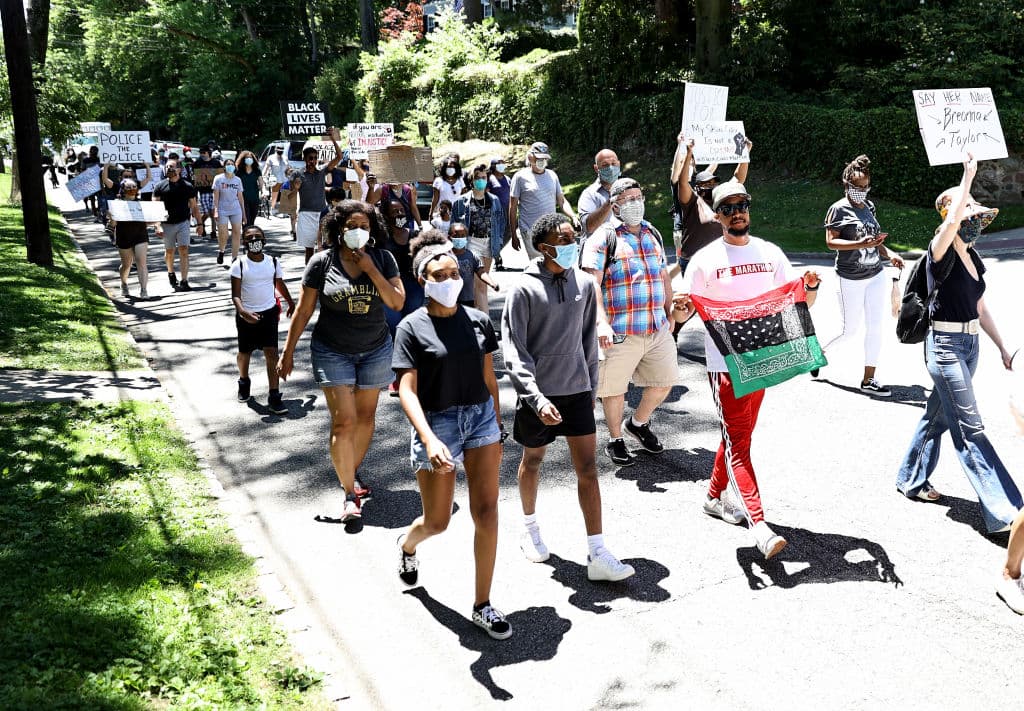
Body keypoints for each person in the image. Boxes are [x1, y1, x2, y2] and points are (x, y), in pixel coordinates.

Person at [674, 182, 821, 560]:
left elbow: (797, 301)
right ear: (718, 216)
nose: (737, 212)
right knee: (739, 442)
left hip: (763, 362)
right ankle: (758, 524)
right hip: (726, 365)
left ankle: (713, 495)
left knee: (738, 435)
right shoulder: (705, 260)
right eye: (728, 208)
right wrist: (677, 309)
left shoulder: (770, 252)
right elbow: (684, 311)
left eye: (743, 205)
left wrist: (811, 287)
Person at [503, 213, 636, 582]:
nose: (572, 244)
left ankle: (597, 551)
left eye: (573, 237)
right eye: (564, 240)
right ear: (544, 247)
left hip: (576, 390)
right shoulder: (523, 288)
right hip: (539, 395)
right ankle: (529, 529)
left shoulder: (582, 282)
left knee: (589, 469)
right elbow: (515, 350)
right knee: (533, 461)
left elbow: (587, 339)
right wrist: (535, 397)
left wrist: (590, 387)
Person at [393, 229, 512, 640]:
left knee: (487, 512)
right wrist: (427, 437)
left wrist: (497, 422)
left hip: (480, 421)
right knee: (438, 522)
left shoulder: (478, 320)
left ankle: (483, 604)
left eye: (454, 272)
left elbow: (489, 378)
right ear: (422, 280)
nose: (450, 280)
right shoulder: (411, 327)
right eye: (439, 275)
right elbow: (406, 389)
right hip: (436, 423)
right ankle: (408, 546)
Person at [895, 154, 1022, 533]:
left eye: (977, 215)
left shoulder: (975, 258)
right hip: (944, 347)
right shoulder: (940, 249)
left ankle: (910, 478)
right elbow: (950, 223)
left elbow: (979, 306)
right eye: (970, 213)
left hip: (970, 348)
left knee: (937, 416)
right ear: (953, 215)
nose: (976, 221)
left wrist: (1002, 346)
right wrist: (968, 176)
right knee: (970, 427)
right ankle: (1006, 514)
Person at [278, 200, 405, 521]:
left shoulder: (383, 259)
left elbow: (397, 302)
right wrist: (287, 351)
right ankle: (349, 493)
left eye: (364, 227)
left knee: (365, 420)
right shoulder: (322, 263)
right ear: (339, 231)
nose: (358, 232)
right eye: (351, 227)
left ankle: (350, 467)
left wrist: (371, 270)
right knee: (343, 422)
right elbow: (304, 311)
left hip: (375, 349)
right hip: (332, 350)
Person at [581, 178, 676, 467]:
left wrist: (670, 311)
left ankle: (637, 423)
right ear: (615, 204)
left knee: (665, 381)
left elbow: (662, 275)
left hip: (655, 325)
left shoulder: (653, 233)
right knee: (613, 389)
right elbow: (591, 284)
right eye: (628, 199)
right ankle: (615, 439)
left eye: (639, 196)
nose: (636, 203)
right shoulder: (603, 237)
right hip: (619, 330)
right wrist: (600, 323)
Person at [817, 155, 904, 394]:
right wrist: (859, 244)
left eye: (866, 187)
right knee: (849, 331)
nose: (862, 192)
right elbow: (831, 242)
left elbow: (874, 242)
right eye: (858, 187)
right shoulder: (837, 209)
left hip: (875, 275)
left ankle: (869, 380)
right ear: (847, 185)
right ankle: (819, 353)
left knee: (876, 327)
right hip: (850, 278)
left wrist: (890, 254)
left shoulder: (869, 207)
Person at [231, 226, 295, 415]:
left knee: (272, 353)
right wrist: (243, 312)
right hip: (247, 315)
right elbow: (235, 294)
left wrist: (290, 302)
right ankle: (244, 381)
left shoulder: (273, 262)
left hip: (268, 313)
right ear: (244, 243)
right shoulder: (239, 264)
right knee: (245, 352)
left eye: (258, 237)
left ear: (264, 240)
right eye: (250, 238)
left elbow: (279, 283)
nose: (254, 240)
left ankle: (274, 395)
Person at [671, 133, 752, 277]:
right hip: (693, 261)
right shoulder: (692, 201)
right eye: (706, 184)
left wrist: (745, 153)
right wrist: (689, 152)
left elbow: (738, 178)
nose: (710, 186)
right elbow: (682, 182)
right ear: (697, 187)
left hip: (718, 261)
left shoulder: (720, 199)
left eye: (713, 182)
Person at [450, 164, 506, 313]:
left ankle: (478, 320)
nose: (481, 180)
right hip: (470, 243)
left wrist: (499, 242)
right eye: (477, 178)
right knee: (478, 283)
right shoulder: (461, 202)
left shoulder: (494, 200)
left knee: (482, 284)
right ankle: (483, 321)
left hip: (489, 243)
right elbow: (453, 225)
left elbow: (501, 222)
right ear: (472, 181)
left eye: (483, 177)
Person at [509, 142, 577, 259]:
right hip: (530, 231)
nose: (542, 161)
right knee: (539, 265)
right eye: (539, 157)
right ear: (530, 157)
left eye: (544, 158)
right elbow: (513, 207)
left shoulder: (552, 176)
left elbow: (562, 201)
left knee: (554, 264)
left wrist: (573, 216)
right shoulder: (520, 177)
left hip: (552, 230)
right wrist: (513, 235)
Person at [296, 129, 343, 263]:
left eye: (315, 158)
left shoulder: (322, 171)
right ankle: (309, 274)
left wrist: (333, 138)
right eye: (310, 158)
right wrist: (295, 188)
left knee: (325, 246)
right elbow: (289, 195)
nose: (313, 161)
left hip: (322, 215)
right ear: (304, 159)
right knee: (310, 249)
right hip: (306, 215)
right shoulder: (298, 174)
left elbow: (339, 157)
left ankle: (324, 272)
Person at [152, 161, 201, 292]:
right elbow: (154, 208)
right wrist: (157, 226)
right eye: (167, 166)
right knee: (169, 252)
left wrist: (200, 224)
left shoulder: (188, 186)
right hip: (167, 224)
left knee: (184, 250)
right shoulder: (159, 186)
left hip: (183, 222)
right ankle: (171, 272)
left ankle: (184, 281)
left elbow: (194, 206)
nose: (169, 168)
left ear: (179, 169)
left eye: (172, 166)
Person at [108, 177, 154, 299]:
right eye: (128, 187)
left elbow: (148, 221)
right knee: (126, 264)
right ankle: (123, 283)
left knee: (141, 262)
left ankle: (144, 290)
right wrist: (112, 218)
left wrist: (159, 218)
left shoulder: (142, 203)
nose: (132, 189)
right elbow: (113, 224)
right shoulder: (117, 204)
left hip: (140, 234)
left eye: (134, 187)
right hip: (124, 235)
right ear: (122, 189)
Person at [448, 222, 499, 308]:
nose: (460, 238)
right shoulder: (446, 256)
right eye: (456, 236)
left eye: (462, 236)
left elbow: (481, 272)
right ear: (449, 238)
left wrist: (492, 283)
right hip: (450, 300)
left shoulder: (472, 256)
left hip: (468, 300)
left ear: (466, 238)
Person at [577, 149, 621, 237]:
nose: (611, 168)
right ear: (596, 168)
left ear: (619, 164)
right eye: (605, 165)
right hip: (599, 248)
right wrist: (611, 201)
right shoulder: (589, 194)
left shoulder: (628, 188)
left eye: (613, 164)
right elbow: (589, 227)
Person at [212, 158, 246, 265]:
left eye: (232, 164)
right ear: (224, 166)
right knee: (223, 234)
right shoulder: (218, 179)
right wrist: (216, 210)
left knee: (237, 233)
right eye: (228, 164)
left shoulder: (238, 180)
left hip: (236, 209)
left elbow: (240, 197)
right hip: (222, 209)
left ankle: (234, 258)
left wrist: (244, 213)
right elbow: (216, 196)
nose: (230, 166)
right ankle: (222, 251)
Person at [191, 146, 222, 239]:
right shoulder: (197, 163)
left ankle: (213, 231)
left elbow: (221, 174)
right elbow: (193, 175)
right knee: (207, 213)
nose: (202, 155)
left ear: (208, 153)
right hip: (203, 191)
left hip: (214, 191)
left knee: (213, 212)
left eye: (203, 153)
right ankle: (201, 224)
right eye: (200, 153)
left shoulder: (216, 163)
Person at [487, 157, 511, 270]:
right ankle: (497, 258)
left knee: (509, 233)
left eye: (503, 163)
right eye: (499, 163)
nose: (502, 165)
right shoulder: (490, 179)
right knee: (497, 235)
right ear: (493, 166)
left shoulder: (507, 179)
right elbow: (486, 195)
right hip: (495, 211)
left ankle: (495, 252)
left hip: (508, 210)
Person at [429, 154, 466, 219]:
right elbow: (435, 199)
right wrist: (431, 213)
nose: (451, 169)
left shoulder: (460, 180)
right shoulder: (438, 181)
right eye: (449, 167)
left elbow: (464, 197)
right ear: (444, 168)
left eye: (453, 167)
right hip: (442, 214)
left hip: (456, 213)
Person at [236, 150, 263, 228]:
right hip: (243, 198)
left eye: (250, 158)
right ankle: (246, 236)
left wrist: (263, 191)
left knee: (252, 219)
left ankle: (249, 234)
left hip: (254, 198)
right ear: (243, 160)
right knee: (246, 219)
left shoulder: (257, 170)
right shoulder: (239, 171)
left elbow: (261, 182)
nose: (249, 159)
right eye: (247, 158)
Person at [264, 145, 287, 215]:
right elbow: (266, 168)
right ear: (276, 149)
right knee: (274, 195)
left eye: (282, 149)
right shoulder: (271, 158)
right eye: (279, 149)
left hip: (284, 180)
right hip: (275, 180)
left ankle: (284, 211)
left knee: (284, 196)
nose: (280, 151)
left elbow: (288, 168)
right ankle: (273, 210)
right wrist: (264, 177)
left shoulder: (285, 158)